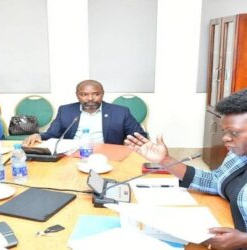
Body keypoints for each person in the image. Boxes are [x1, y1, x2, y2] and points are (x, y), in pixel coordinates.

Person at [125, 89, 247, 250]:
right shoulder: (238, 154)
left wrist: (244, 240)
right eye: (225, 131)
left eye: (234, 133)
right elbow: (215, 181)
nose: (225, 138)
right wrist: (165, 160)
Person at [23, 80, 147, 146]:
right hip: (73, 155)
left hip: (108, 155)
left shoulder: (120, 112)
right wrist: (39, 136)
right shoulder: (65, 111)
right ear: (77, 95)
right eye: (84, 94)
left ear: (102, 94)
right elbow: (52, 134)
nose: (90, 98)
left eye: (96, 94)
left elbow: (141, 137)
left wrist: (129, 143)